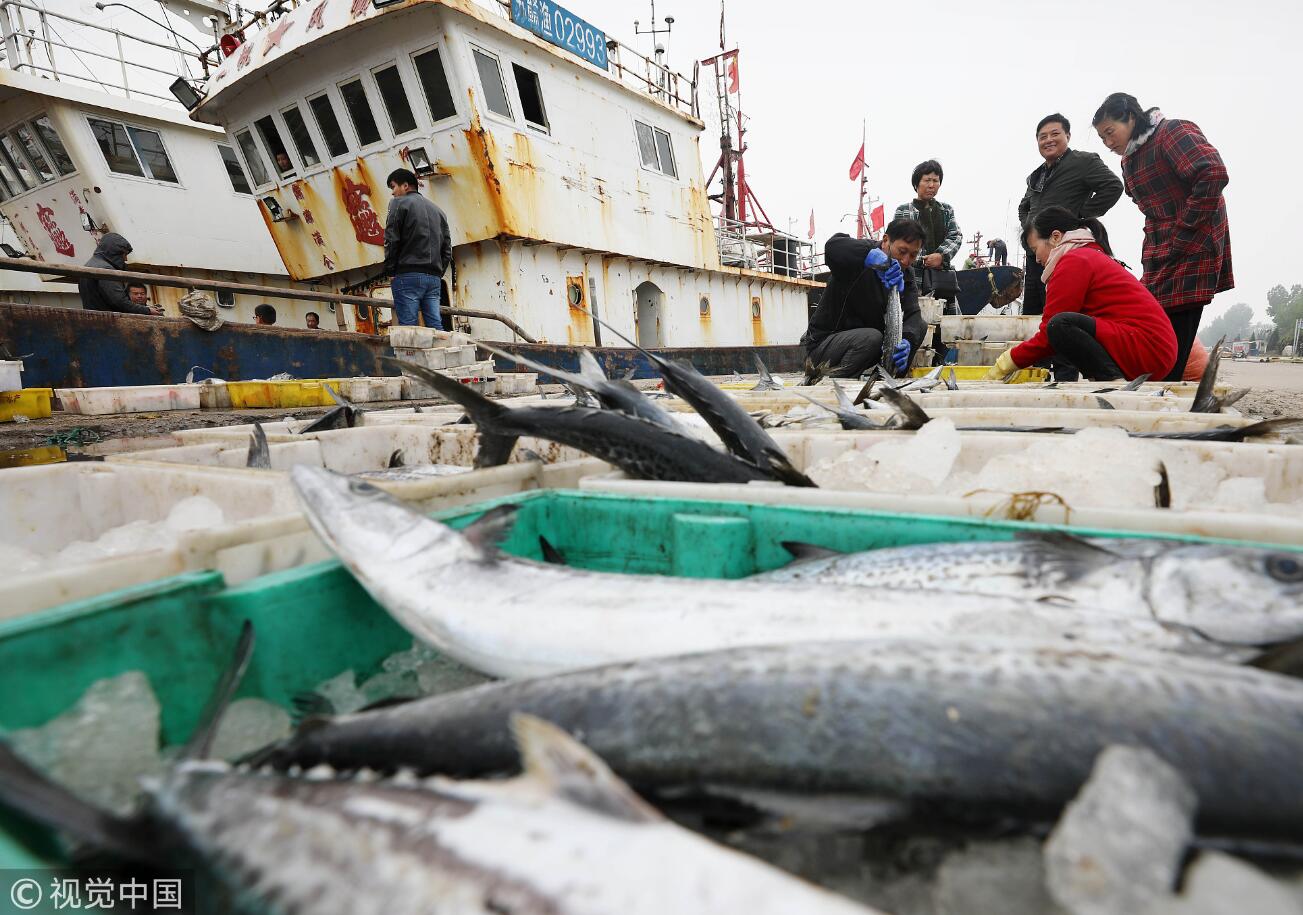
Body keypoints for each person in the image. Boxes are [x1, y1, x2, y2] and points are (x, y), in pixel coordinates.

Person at [1092, 93, 1233, 382]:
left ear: (1131, 116)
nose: (1108, 143)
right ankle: (1159, 383)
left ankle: (1168, 391)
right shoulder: (1129, 160)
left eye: (1110, 132)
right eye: (1102, 138)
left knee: (1177, 327)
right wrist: (1156, 248)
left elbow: (1213, 173)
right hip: (1160, 251)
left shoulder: (1172, 132)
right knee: (1154, 323)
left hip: (1194, 244)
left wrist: (1183, 231)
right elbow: (1147, 207)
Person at [986, 206, 1176, 383]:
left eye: (1036, 249)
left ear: (1055, 237)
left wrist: (1008, 361)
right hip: (1153, 349)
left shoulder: (1074, 262)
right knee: (1061, 326)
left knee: (1059, 326)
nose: (1036, 258)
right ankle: (1106, 379)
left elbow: (1049, 336)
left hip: (1147, 349)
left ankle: (1112, 383)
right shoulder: (1088, 255)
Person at [1017, 114, 1124, 315]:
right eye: (1042, 136)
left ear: (1068, 135)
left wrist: (1079, 217)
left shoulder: (1083, 161)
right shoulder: (1036, 175)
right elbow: (1023, 207)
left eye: (1054, 134)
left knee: (1061, 313)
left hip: (1065, 252)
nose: (1048, 140)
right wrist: (1030, 228)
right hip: (1036, 255)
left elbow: (1113, 186)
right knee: (1031, 315)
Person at [801, 218, 926, 378]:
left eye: (913, 255)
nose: (906, 260)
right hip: (824, 346)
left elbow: (913, 313)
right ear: (886, 240)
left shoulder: (906, 274)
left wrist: (907, 340)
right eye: (902, 251)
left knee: (919, 326)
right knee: (871, 338)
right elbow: (833, 247)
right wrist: (869, 257)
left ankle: (885, 378)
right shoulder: (859, 257)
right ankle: (835, 381)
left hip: (865, 346)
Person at [384, 167, 452, 329]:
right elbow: (447, 249)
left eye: (393, 187)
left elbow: (391, 240)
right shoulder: (439, 211)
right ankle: (440, 354)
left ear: (405, 186)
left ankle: (412, 355)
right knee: (436, 325)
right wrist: (437, 273)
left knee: (409, 328)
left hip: (407, 275)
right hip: (434, 278)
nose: (392, 193)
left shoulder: (398, 204)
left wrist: (391, 271)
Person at [893, 160, 962, 306]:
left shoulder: (946, 210)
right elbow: (897, 243)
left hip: (942, 280)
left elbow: (955, 235)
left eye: (936, 181)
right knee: (914, 317)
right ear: (917, 183)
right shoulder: (903, 210)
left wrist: (941, 257)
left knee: (944, 321)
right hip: (913, 278)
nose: (931, 185)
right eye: (927, 180)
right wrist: (923, 260)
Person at [78, 233, 161, 315]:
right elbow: (120, 302)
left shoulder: (88, 265)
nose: (125, 258)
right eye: (124, 254)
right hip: (108, 323)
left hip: (93, 319)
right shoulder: (105, 269)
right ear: (115, 252)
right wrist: (147, 310)